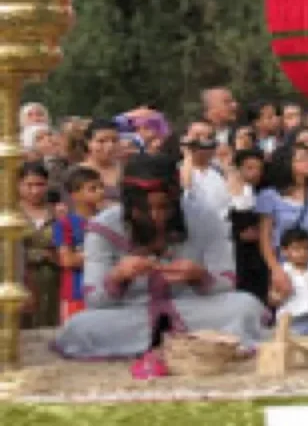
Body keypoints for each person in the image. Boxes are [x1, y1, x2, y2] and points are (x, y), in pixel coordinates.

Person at [52, 154, 267, 359]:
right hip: (131, 314)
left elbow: (226, 284)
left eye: (164, 207)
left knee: (246, 305)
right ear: (129, 205)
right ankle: (179, 341)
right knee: (78, 327)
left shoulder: (206, 218)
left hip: (193, 308)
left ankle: (167, 341)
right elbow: (95, 300)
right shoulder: (102, 227)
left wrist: (199, 276)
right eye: (145, 210)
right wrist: (118, 276)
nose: (156, 217)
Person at [257, 142, 308, 300]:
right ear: (287, 164)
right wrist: (276, 270)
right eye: (302, 159)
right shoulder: (270, 196)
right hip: (286, 267)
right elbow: (265, 238)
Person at [53, 167, 105, 323]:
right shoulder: (65, 224)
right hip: (76, 291)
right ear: (75, 195)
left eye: (101, 187)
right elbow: (67, 260)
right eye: (92, 189)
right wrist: (101, 256)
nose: (100, 192)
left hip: (105, 291)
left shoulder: (108, 220)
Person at [19, 162, 59, 328]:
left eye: (40, 185)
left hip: (53, 280)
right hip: (20, 278)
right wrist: (41, 255)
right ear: (18, 185)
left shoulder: (57, 213)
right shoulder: (10, 215)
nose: (35, 190)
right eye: (29, 185)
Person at [268, 228, 308, 336]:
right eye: (296, 249)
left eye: (307, 249)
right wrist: (281, 295)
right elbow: (271, 301)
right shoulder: (282, 272)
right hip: (290, 322)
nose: (302, 253)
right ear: (284, 251)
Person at [229, 149, 268, 304]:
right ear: (239, 169)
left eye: (259, 168)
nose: (256, 173)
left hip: (258, 256)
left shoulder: (263, 191)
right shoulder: (224, 192)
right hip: (235, 255)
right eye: (250, 168)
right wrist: (237, 235)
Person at [79, 119, 122, 207]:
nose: (110, 146)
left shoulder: (127, 169)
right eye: (101, 141)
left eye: (114, 140)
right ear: (88, 142)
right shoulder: (77, 173)